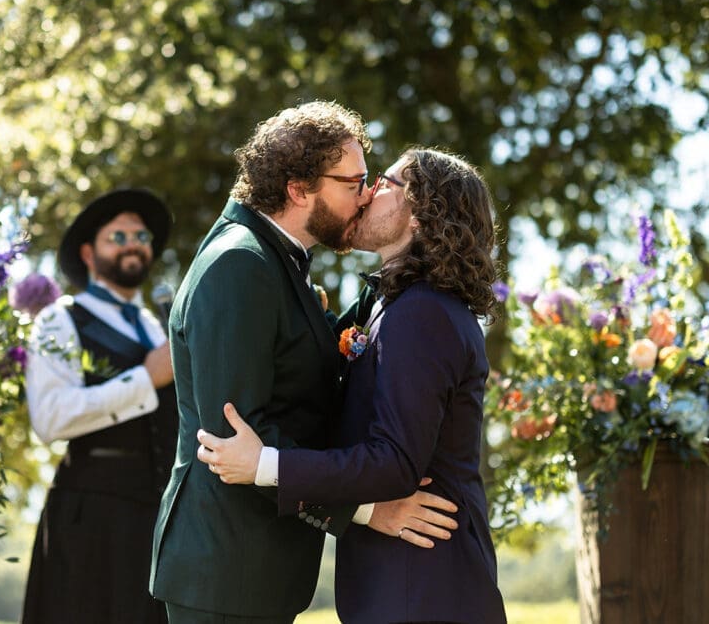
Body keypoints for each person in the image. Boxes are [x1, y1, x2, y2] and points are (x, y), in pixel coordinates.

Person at [150, 103, 456, 624]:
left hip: (254, 570)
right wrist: (368, 511)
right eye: (354, 182)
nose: (366, 196)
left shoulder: (277, 261)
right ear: (298, 189)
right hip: (226, 570)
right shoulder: (240, 264)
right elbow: (235, 443)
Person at [197, 148, 509, 624]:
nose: (366, 193)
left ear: (423, 214)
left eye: (385, 182)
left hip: (424, 589)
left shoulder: (423, 312)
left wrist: (264, 464)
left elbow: (394, 463)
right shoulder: (395, 303)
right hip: (400, 584)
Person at [22, 188, 178, 624]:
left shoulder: (154, 326)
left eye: (142, 236)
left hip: (156, 517)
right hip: (90, 516)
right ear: (88, 254)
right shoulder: (59, 319)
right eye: (119, 235)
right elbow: (50, 417)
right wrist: (145, 377)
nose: (133, 243)